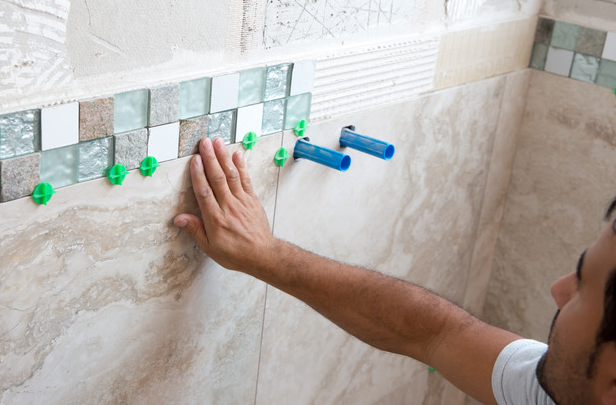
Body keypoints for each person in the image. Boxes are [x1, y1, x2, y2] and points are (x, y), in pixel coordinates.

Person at [172, 137, 616, 405]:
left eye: (582, 291)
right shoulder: (562, 389)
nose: (558, 290)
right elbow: (433, 332)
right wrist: (266, 255)